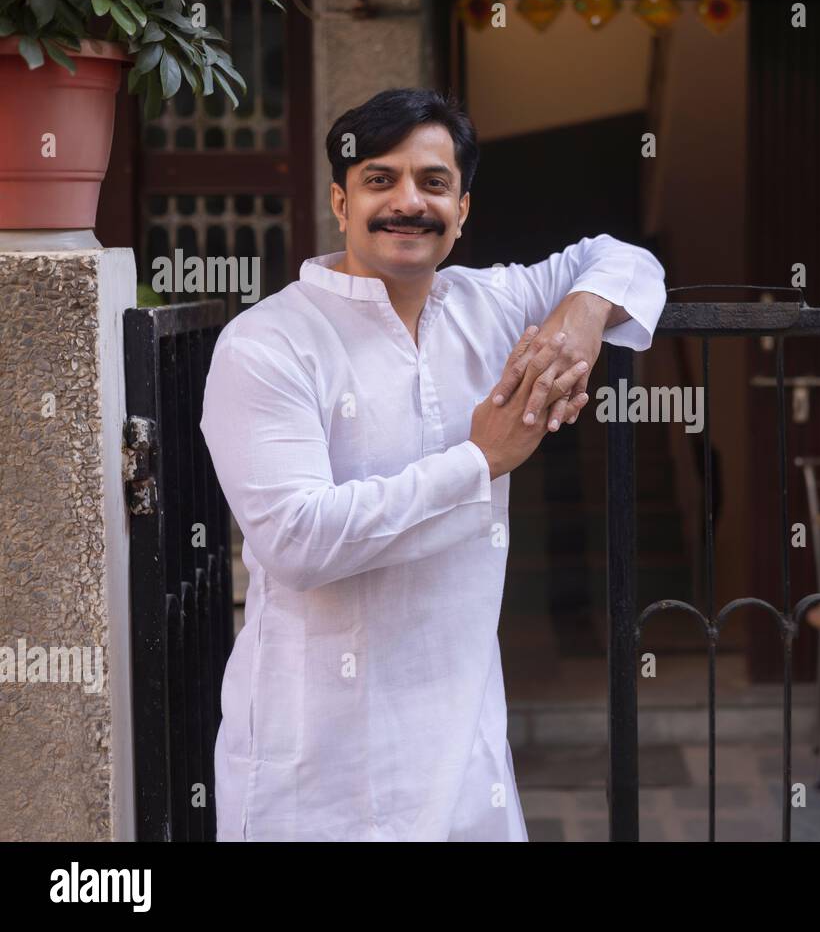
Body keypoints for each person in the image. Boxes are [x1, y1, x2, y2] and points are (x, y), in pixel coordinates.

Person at [199, 87, 667, 840]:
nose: (407, 202)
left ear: (463, 208)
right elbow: (298, 539)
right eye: (380, 179)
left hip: (464, 756)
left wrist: (580, 319)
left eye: (433, 182)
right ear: (340, 203)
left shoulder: (491, 302)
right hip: (315, 766)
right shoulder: (267, 343)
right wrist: (479, 461)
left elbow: (625, 260)